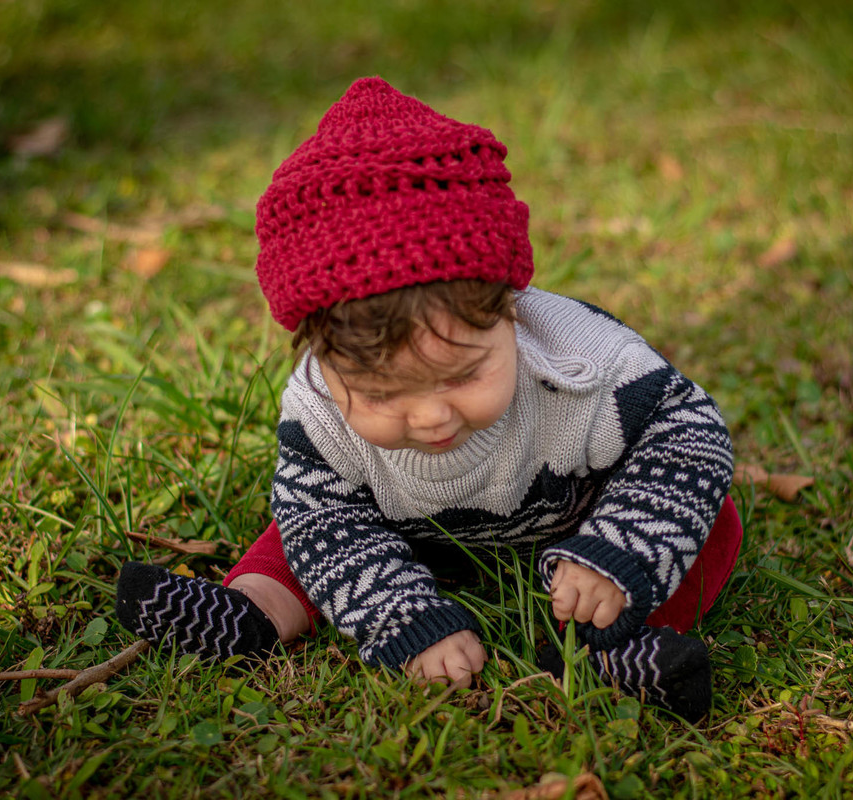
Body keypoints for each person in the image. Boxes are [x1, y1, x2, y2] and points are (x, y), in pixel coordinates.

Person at [115, 77, 741, 722]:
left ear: (509, 309)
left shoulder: (586, 363)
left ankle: (602, 648)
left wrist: (617, 553)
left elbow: (687, 437)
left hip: (577, 525)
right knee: (303, 529)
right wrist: (407, 622)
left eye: (463, 376)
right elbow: (324, 522)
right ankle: (251, 613)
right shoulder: (319, 410)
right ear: (320, 358)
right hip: (406, 535)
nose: (430, 416)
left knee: (709, 522)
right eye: (382, 393)